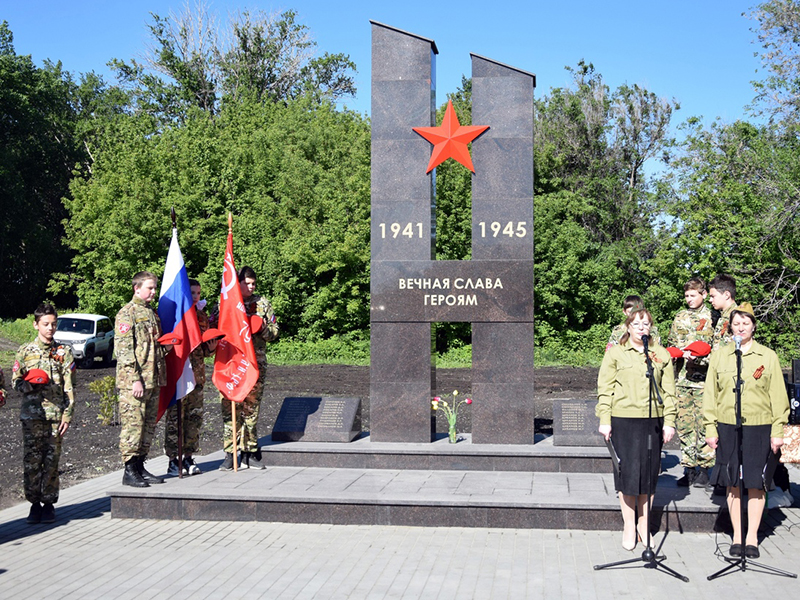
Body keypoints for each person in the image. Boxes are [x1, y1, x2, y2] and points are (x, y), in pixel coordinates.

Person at [703, 302, 789, 559]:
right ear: (730, 327)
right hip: (728, 425)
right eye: (736, 324)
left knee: (755, 483)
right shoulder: (720, 356)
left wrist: (777, 430)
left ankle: (752, 536)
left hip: (759, 426)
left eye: (745, 323)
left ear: (754, 326)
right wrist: (710, 426)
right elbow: (711, 394)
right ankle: (737, 536)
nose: (740, 328)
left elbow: (778, 397)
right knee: (732, 483)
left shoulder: (767, 356)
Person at [596, 309, 677, 551]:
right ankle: (629, 525)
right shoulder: (616, 354)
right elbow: (605, 388)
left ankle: (645, 524)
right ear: (628, 326)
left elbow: (670, 392)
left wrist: (670, 421)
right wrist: (605, 419)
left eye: (646, 323)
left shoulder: (660, 355)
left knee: (649, 475)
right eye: (637, 323)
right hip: (624, 419)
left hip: (653, 420)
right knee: (627, 474)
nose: (642, 327)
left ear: (651, 327)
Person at [11, 303, 75, 524]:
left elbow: (70, 387)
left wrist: (68, 415)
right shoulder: (25, 351)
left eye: (54, 324)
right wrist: (30, 384)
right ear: (36, 325)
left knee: (51, 461)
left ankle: (48, 505)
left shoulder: (63, 352)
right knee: (31, 461)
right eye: (46, 324)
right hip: (32, 416)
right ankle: (34, 505)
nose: (50, 328)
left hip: (55, 416)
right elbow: (15, 382)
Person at [217, 266, 279, 470]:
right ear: (239, 283)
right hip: (231, 363)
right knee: (230, 408)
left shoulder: (262, 303)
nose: (251, 287)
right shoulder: (226, 302)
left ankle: (250, 450)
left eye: (254, 283)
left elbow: (275, 332)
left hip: (254, 363)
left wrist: (262, 327)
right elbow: (214, 328)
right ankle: (230, 452)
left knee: (251, 409)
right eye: (247, 283)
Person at [116, 271, 167, 487]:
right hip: (134, 382)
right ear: (137, 288)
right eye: (150, 288)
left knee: (148, 426)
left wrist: (168, 346)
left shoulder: (152, 314)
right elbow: (124, 350)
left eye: (155, 288)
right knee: (133, 426)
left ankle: (139, 466)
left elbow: (154, 347)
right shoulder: (127, 314)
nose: (154, 292)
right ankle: (129, 470)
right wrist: (135, 379)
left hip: (153, 379)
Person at [667, 277, 715, 487]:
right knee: (685, 425)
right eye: (686, 295)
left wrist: (700, 357)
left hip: (704, 381)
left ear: (703, 295)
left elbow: (717, 348)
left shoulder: (713, 316)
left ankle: (705, 468)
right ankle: (689, 468)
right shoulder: (680, 317)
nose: (689, 299)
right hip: (683, 380)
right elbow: (671, 344)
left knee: (704, 424)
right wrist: (678, 354)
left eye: (693, 295)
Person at [164, 279, 216, 476]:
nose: (196, 296)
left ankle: (188, 457)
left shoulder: (201, 315)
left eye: (198, 293)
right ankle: (172, 459)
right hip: (180, 374)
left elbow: (203, 347)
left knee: (194, 418)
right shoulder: (177, 315)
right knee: (176, 418)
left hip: (197, 375)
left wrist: (210, 349)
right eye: (192, 293)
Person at [708, 274, 738, 351]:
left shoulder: (738, 318)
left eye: (713, 296)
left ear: (727, 295)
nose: (710, 300)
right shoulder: (723, 317)